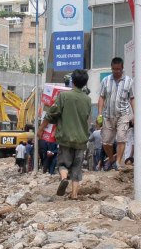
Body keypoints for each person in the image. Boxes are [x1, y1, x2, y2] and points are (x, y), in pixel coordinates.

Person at [44, 69, 94, 199]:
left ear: (72, 81)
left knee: (63, 164)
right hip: (81, 140)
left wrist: (40, 129)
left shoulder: (64, 96)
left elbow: (51, 114)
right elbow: (87, 118)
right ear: (85, 83)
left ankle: (64, 179)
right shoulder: (88, 100)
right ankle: (74, 194)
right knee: (77, 168)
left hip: (66, 138)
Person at [98, 57, 134, 170]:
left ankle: (118, 162)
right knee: (106, 142)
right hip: (108, 115)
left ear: (122, 68)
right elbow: (101, 97)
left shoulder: (129, 81)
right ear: (111, 68)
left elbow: (132, 98)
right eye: (114, 69)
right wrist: (99, 114)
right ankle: (111, 158)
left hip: (123, 114)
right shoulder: (106, 80)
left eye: (118, 69)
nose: (116, 71)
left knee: (121, 139)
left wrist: (134, 115)